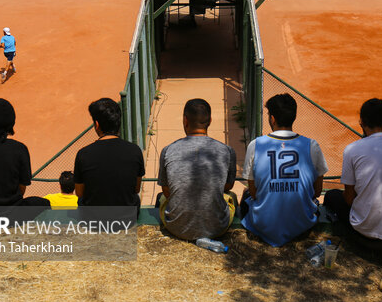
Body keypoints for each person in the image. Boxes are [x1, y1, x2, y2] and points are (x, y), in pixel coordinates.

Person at [324, 98, 382, 240]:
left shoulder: (352, 149)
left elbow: (349, 199)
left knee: (331, 195)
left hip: (364, 229)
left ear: (362, 121)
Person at [241, 93, 328, 247]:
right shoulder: (311, 145)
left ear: (272, 119)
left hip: (263, 225)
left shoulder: (255, 145)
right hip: (302, 224)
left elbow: (253, 193)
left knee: (246, 195)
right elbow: (316, 191)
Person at [157, 99, 237, 241]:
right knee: (231, 197)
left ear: (185, 120)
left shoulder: (168, 150)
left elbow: (166, 191)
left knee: (161, 197)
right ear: (210, 120)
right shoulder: (227, 151)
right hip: (217, 228)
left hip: (176, 228)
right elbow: (228, 186)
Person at [0, 98, 49, 207]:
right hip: (11, 214)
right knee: (44, 203)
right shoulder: (19, 149)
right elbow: (22, 189)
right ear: (11, 122)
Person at [73, 98, 144, 216]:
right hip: (126, 219)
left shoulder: (83, 154)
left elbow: (80, 193)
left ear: (97, 124)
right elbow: (136, 189)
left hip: (93, 221)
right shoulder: (135, 151)